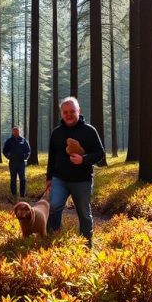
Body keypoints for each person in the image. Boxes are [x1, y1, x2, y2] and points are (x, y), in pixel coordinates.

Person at [45, 97, 104, 247]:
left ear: (79, 111)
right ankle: (52, 238)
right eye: (65, 112)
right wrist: (49, 177)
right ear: (61, 113)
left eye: (72, 111)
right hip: (60, 179)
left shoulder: (89, 131)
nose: (69, 115)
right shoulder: (56, 133)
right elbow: (52, 157)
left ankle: (86, 245)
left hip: (82, 180)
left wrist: (83, 159)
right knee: (53, 206)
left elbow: (100, 153)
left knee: (84, 213)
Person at [2, 125, 31, 197]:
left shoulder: (23, 140)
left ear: (19, 131)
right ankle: (14, 194)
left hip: (21, 162)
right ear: (12, 132)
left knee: (23, 179)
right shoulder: (9, 141)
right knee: (13, 179)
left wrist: (25, 156)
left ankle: (22, 194)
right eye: (14, 130)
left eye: (17, 130)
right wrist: (9, 157)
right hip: (12, 163)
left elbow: (28, 150)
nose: (15, 132)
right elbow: (4, 151)